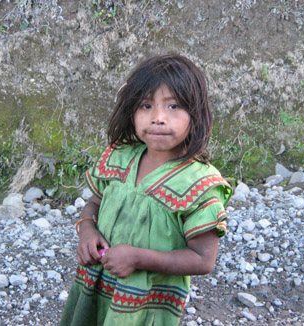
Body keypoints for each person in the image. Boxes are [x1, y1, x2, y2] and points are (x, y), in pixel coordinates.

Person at [60, 53, 232, 326]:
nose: (158, 118)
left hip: (144, 308)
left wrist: (139, 258)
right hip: (95, 288)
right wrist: (87, 231)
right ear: (131, 110)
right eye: (146, 105)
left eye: (174, 106)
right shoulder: (118, 157)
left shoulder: (199, 184)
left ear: (195, 114)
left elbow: (202, 259)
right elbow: (94, 203)